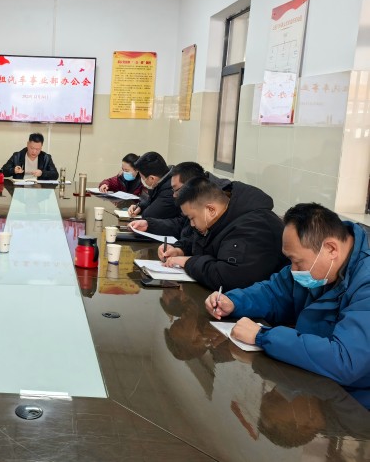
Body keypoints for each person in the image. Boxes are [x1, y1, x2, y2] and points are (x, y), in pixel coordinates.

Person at [205, 203, 370, 409]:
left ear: (331, 249)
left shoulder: (365, 284)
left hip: (352, 405)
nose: (293, 270)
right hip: (311, 380)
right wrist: (233, 301)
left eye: (297, 262)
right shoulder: (318, 267)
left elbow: (345, 360)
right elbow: (273, 292)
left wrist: (262, 336)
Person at [163, 176, 287, 291]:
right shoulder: (222, 216)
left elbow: (227, 278)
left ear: (211, 210)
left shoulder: (253, 227)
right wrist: (180, 250)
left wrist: (188, 262)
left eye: (192, 218)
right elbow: (202, 242)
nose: (192, 224)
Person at [129, 162, 231, 239]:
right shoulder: (195, 197)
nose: (174, 195)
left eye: (176, 190)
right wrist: (149, 225)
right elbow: (182, 225)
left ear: (190, 184)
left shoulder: (222, 202)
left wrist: (188, 258)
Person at [126, 152, 179, 219]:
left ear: (152, 178)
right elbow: (151, 201)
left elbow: (149, 215)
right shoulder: (162, 178)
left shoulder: (171, 189)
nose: (141, 180)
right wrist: (140, 206)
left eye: (142, 178)